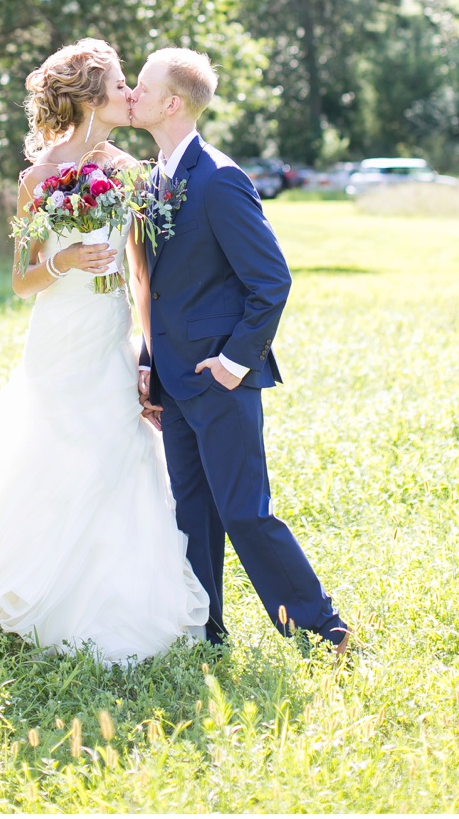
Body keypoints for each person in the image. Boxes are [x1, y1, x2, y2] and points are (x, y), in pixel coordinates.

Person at [0, 38, 209, 663]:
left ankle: (116, 599)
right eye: (119, 84)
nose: (129, 92)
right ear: (89, 96)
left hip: (107, 339)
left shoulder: (129, 172)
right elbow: (21, 279)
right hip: (55, 343)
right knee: (49, 451)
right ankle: (33, 587)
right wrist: (64, 257)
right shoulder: (37, 179)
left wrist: (148, 356)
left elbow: (140, 275)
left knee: (116, 456)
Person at [126, 47, 353, 655]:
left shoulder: (222, 180)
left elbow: (271, 281)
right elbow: (160, 290)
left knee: (244, 512)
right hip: (174, 380)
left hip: (221, 379)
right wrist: (150, 363)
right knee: (190, 514)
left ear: (172, 102)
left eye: (141, 88)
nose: (130, 95)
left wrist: (232, 363)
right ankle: (204, 630)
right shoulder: (153, 181)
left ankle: (323, 628)